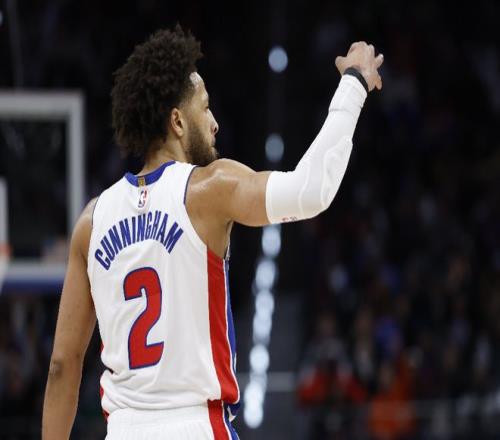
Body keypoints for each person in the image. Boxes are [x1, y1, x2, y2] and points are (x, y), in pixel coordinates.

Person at [42, 25, 383, 440]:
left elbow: (62, 365)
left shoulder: (91, 222)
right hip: (196, 425)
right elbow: (311, 191)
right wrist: (354, 84)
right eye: (205, 108)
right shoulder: (208, 189)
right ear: (177, 121)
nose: (215, 123)